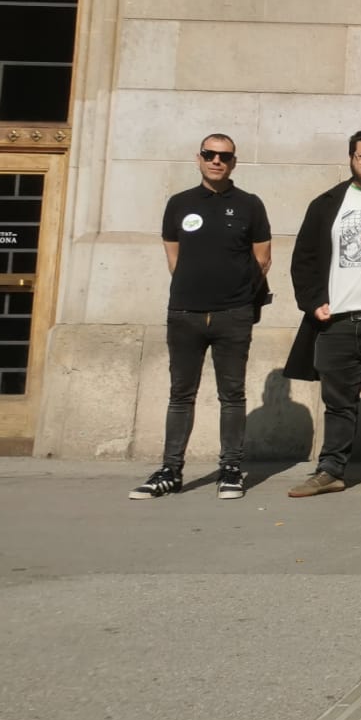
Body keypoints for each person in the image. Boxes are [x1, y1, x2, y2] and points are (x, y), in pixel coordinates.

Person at [130, 133, 272, 500]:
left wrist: (238, 295)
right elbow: (172, 255)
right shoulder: (179, 203)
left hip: (233, 314)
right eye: (210, 154)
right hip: (184, 313)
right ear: (199, 158)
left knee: (232, 394)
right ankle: (171, 470)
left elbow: (263, 258)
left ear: (233, 162)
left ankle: (230, 469)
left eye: (225, 156)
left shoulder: (249, 205)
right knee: (181, 395)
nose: (217, 161)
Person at [282, 128, 361, 497]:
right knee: (337, 404)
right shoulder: (326, 202)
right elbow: (304, 258)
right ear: (351, 158)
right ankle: (330, 470)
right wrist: (312, 300)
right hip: (337, 319)